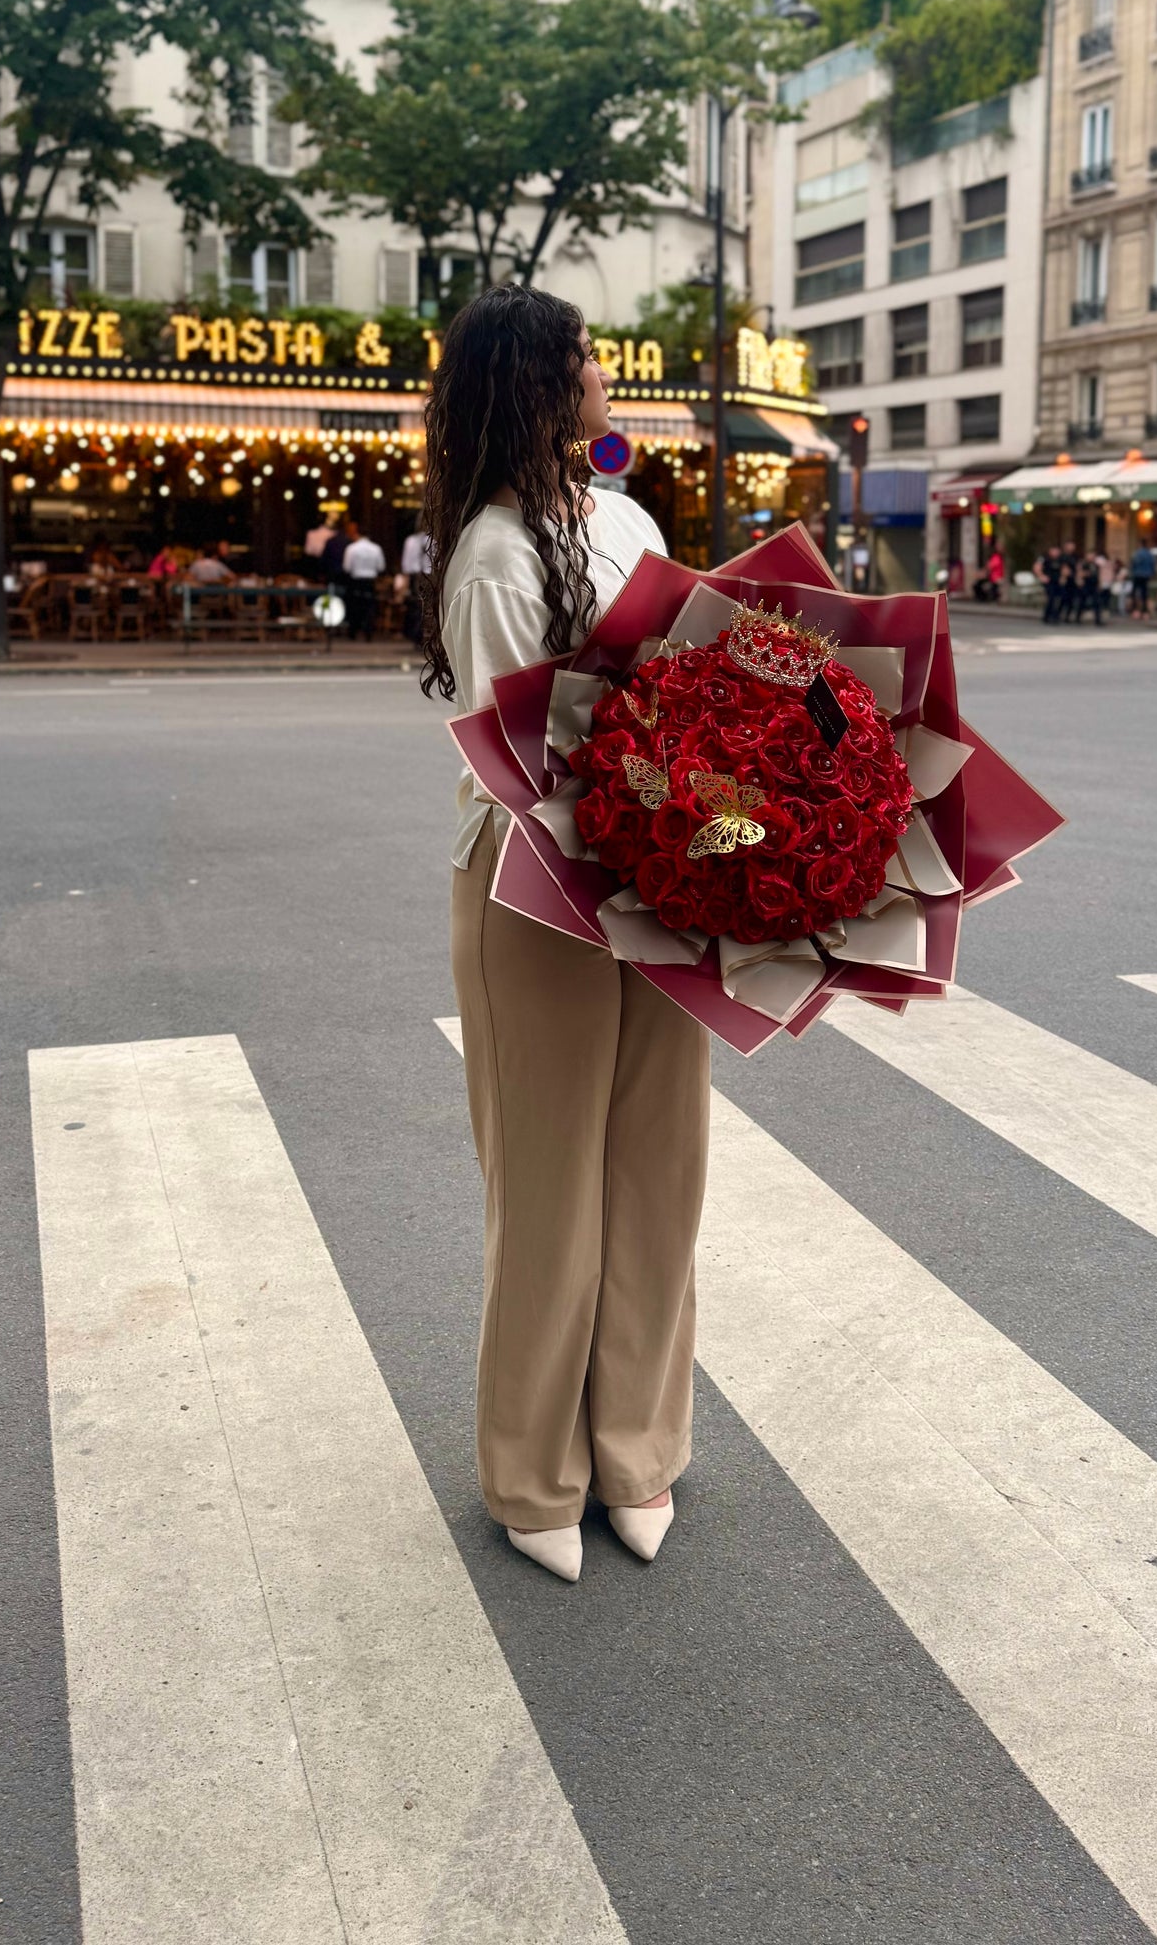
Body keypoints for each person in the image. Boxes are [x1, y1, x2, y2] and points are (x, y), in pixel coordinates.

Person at [422, 285, 701, 1585]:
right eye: (583, 355)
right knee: (547, 1188)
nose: (604, 369)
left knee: (657, 1168)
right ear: (537, 384)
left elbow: (689, 670)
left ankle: (637, 1448)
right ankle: (533, 1470)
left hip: (661, 872)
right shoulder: (489, 553)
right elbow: (521, 754)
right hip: (537, 884)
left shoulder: (629, 514)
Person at [341, 518, 385, 640]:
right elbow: (381, 567)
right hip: (370, 581)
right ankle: (368, 632)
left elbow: (346, 567)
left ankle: (353, 632)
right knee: (369, 607)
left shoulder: (351, 548)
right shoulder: (376, 549)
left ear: (357, 534)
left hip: (356, 580)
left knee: (355, 606)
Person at [399, 516, 433, 644]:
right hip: (420, 575)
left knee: (420, 606)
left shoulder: (429, 540)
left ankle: (419, 633)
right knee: (418, 605)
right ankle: (416, 633)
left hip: (424, 575)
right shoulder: (413, 541)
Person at [1128, 539, 1155, 618]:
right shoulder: (1149, 554)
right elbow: (1153, 565)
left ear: (1140, 544)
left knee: (1134, 593)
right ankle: (1145, 611)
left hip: (1137, 575)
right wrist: (1151, 573)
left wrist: (1131, 571)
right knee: (1144, 594)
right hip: (1146, 576)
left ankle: (1135, 611)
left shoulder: (1137, 553)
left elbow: (1133, 564)